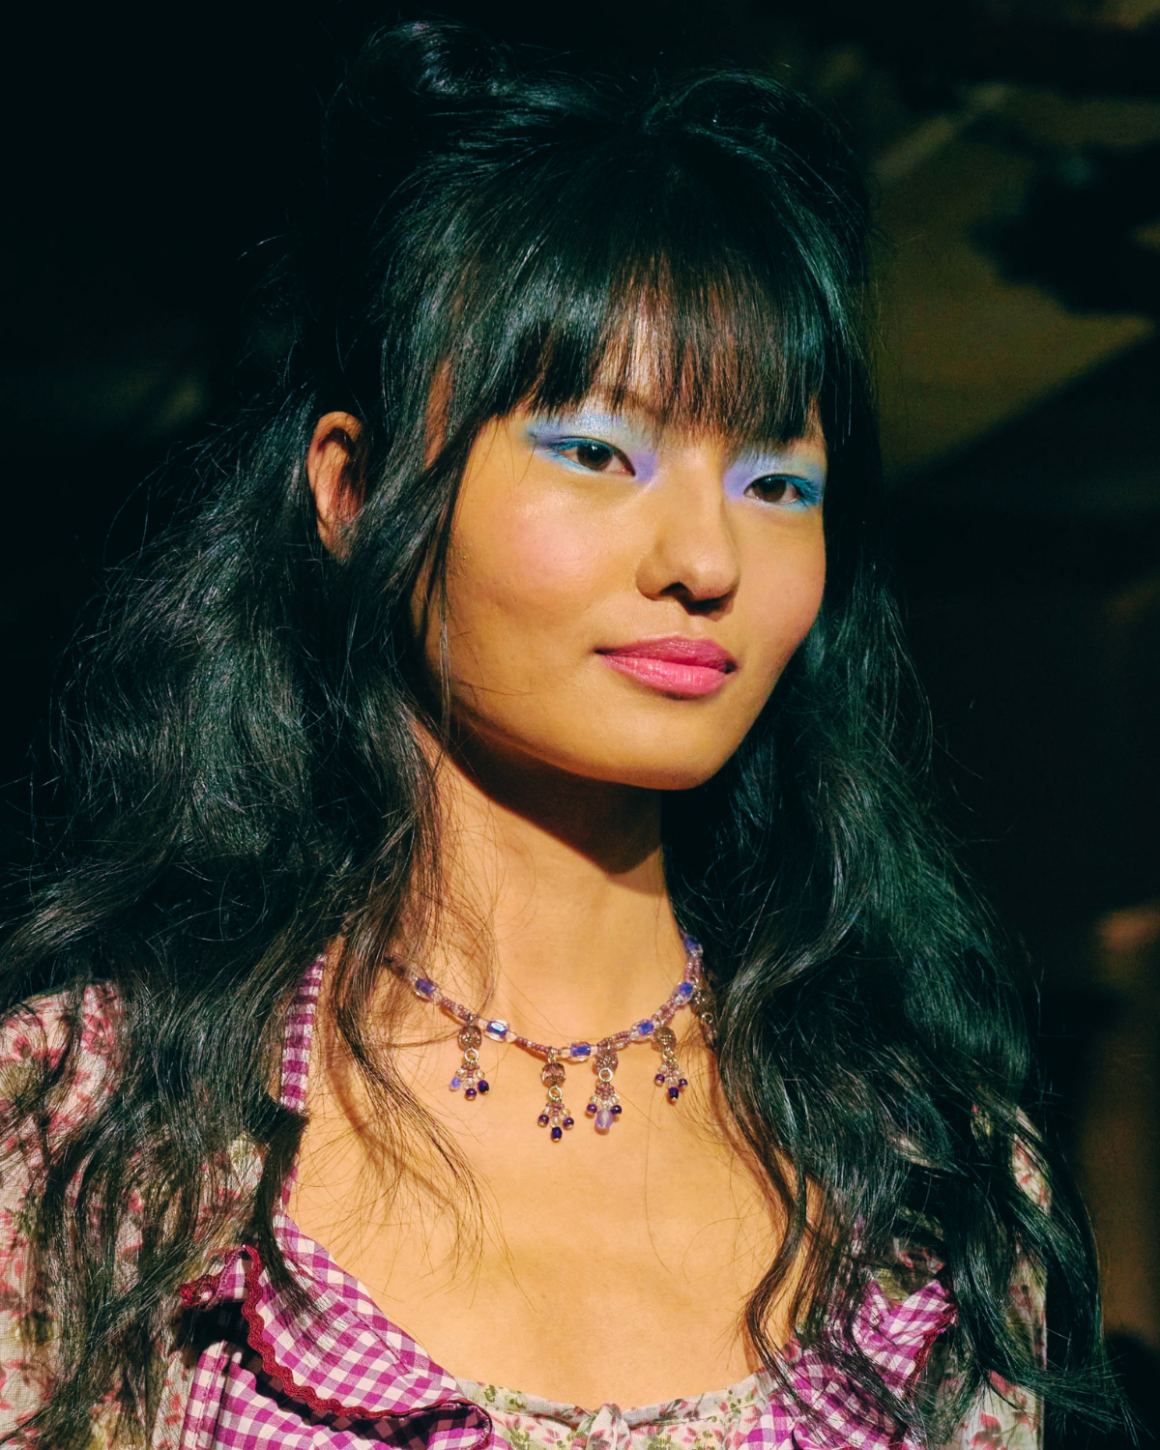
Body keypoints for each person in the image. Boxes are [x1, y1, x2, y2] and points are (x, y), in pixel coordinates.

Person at [0, 21, 1116, 1450]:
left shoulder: (932, 1176)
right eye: (595, 450)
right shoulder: (94, 1135)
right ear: (351, 490)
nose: (705, 559)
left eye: (779, 482)